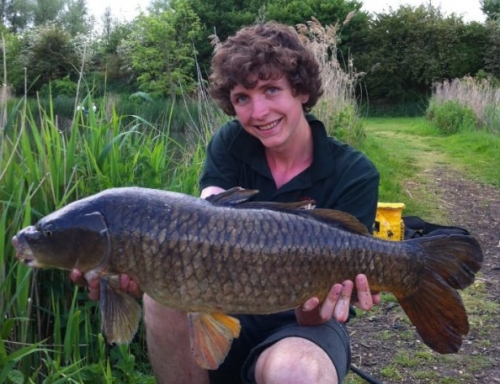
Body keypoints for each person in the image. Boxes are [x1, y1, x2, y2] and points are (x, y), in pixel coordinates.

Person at [71, 21, 380, 384]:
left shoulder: (355, 173)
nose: (259, 112)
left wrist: (315, 307)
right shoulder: (231, 142)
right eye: (242, 98)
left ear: (301, 91)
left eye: (271, 89)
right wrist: (141, 267)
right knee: (160, 299)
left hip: (306, 323)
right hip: (223, 304)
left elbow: (320, 313)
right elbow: (203, 222)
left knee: (294, 370)